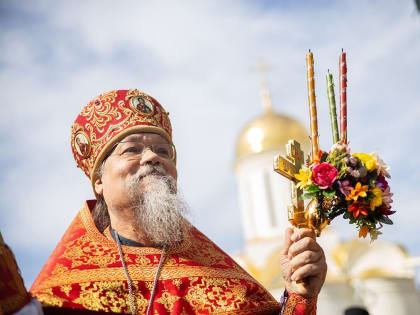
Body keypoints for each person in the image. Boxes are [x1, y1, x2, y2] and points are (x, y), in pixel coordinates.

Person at [29, 89, 327, 314]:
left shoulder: (224, 280)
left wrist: (299, 295)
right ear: (98, 181)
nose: (152, 158)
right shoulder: (62, 290)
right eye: (132, 150)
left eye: (163, 151)